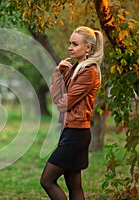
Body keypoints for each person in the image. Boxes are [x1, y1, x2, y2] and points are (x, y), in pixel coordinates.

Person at [40, 26, 104, 199]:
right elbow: (58, 99)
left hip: (76, 134)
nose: (70, 48)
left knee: (47, 180)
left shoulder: (89, 72)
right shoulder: (75, 68)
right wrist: (58, 72)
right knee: (74, 184)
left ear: (88, 48)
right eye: (70, 43)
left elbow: (62, 104)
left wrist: (57, 74)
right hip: (71, 130)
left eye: (75, 44)